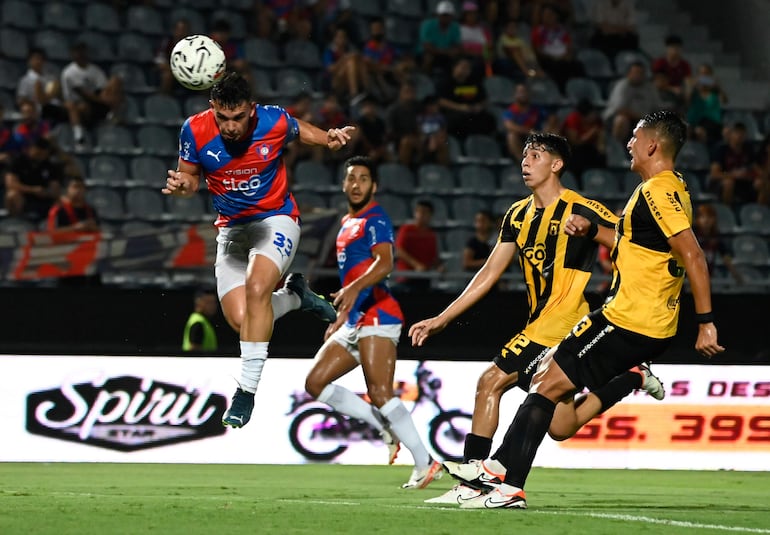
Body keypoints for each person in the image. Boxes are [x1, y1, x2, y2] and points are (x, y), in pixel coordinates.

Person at [446, 111, 724, 509]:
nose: (627, 143)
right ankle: (507, 478)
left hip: (629, 317)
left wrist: (706, 322)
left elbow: (693, 255)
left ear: (651, 145)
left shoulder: (657, 192)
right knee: (556, 411)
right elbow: (639, 245)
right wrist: (594, 232)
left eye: (634, 136)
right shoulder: (672, 188)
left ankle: (499, 476)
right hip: (642, 319)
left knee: (539, 383)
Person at [410, 132, 663, 504]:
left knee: (489, 382)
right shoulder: (516, 214)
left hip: (563, 322)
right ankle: (631, 377)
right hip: (538, 322)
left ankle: (473, 484)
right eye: (525, 155)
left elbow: (625, 243)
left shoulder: (582, 207)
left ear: (557, 164)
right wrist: (442, 317)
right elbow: (489, 272)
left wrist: (600, 245)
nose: (526, 161)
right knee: (561, 426)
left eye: (536, 155)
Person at [162, 72, 355, 428]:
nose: (230, 126)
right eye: (223, 117)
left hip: (276, 220)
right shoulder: (194, 129)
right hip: (232, 230)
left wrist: (328, 138)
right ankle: (297, 297)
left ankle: (246, 392)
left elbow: (299, 129)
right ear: (212, 109)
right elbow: (189, 178)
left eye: (238, 118)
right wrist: (181, 185)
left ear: (251, 110)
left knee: (256, 289)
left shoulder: (272, 119)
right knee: (242, 320)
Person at [304, 155, 444, 490]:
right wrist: (341, 315)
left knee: (380, 392)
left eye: (364, 178)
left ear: (374, 186)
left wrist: (351, 291)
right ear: (343, 184)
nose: (356, 184)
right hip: (355, 319)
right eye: (351, 177)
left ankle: (425, 462)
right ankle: (382, 426)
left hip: (380, 314)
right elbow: (352, 272)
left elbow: (385, 264)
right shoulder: (344, 223)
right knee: (315, 383)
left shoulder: (376, 218)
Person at [60, 42, 125, 144]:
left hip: (96, 102)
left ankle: (113, 114)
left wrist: (106, 97)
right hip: (78, 103)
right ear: (72, 54)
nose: (80, 54)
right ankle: (79, 135)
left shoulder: (95, 70)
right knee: (74, 106)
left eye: (82, 51)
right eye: (77, 51)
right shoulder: (68, 72)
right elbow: (83, 93)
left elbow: (103, 88)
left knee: (115, 80)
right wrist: (105, 100)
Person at [603, 61, 662, 144]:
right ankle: (617, 148)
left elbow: (657, 107)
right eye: (635, 73)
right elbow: (620, 110)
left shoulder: (650, 88)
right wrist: (641, 117)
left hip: (643, 119)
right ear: (629, 74)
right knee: (621, 120)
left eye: (641, 73)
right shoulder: (623, 86)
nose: (638, 75)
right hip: (618, 118)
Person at [4, 137, 62, 220]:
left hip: (43, 197)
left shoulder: (50, 165)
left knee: (60, 200)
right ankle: (16, 221)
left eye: (43, 154)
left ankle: (53, 224)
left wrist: (46, 193)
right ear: (31, 149)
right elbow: (10, 183)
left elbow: (55, 187)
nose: (40, 156)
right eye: (38, 153)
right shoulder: (18, 161)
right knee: (12, 195)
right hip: (24, 195)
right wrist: (32, 190)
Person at [438, 57, 496, 139]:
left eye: (468, 68)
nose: (466, 70)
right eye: (463, 67)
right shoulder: (446, 82)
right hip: (454, 112)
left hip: (473, 112)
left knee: (489, 119)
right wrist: (460, 107)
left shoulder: (474, 82)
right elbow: (441, 101)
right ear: (454, 67)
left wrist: (479, 106)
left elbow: (485, 99)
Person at [394, 199, 443, 291]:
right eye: (419, 211)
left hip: (424, 279)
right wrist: (416, 265)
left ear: (430, 215)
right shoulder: (406, 230)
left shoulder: (431, 234)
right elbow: (399, 251)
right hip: (406, 278)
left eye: (425, 212)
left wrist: (439, 266)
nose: (421, 215)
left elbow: (433, 257)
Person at [502, 83, 555, 161]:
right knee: (511, 136)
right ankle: (523, 161)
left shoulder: (536, 109)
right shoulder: (511, 111)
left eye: (524, 92)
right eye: (520, 92)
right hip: (522, 137)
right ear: (515, 94)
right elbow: (509, 125)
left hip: (538, 137)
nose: (522, 94)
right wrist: (529, 131)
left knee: (554, 131)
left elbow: (552, 118)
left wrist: (546, 130)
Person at [692, 203, 743, 285]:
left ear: (714, 220)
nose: (706, 221)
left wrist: (736, 275)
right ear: (697, 219)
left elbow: (725, 257)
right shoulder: (691, 235)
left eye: (709, 217)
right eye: (702, 217)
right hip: (690, 278)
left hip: (707, 278)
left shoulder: (716, 237)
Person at [708, 122, 756, 206]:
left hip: (744, 182)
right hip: (722, 182)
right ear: (730, 134)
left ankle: (758, 212)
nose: (740, 136)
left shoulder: (748, 149)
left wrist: (748, 174)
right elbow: (714, 174)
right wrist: (734, 175)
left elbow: (754, 168)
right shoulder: (721, 149)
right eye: (737, 132)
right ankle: (727, 210)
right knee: (729, 183)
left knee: (761, 183)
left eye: (742, 133)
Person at [686, 64, 728, 148]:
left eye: (707, 74)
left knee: (727, 132)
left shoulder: (715, 93)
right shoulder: (694, 92)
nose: (704, 76)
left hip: (714, 123)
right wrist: (692, 86)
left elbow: (725, 101)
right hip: (696, 122)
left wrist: (718, 87)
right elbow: (686, 101)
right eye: (702, 74)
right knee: (700, 132)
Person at [417, 0, 462, 77]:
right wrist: (446, 52)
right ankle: (424, 79)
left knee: (458, 60)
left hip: (445, 54)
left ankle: (451, 83)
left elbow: (457, 45)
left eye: (448, 15)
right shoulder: (427, 24)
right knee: (428, 58)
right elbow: (427, 46)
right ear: (438, 14)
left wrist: (453, 51)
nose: (446, 17)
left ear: (452, 16)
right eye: (443, 15)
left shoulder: (455, 26)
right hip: (428, 53)